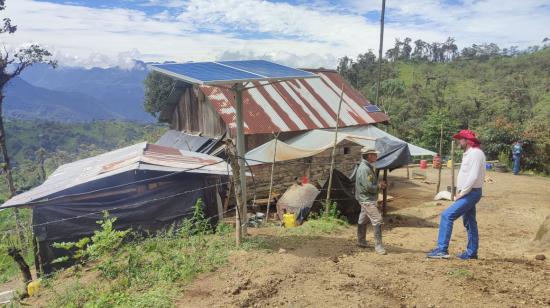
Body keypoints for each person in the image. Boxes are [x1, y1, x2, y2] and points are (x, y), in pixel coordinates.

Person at [427, 129, 486, 260]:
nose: (459, 141)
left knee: (447, 216)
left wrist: (463, 193)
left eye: (461, 139)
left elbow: (473, 176)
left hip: (470, 192)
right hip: (469, 192)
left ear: (467, 141)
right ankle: (472, 253)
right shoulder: (470, 153)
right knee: (470, 222)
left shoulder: (475, 153)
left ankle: (442, 249)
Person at [355, 146, 387, 255]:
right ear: (369, 156)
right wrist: (379, 186)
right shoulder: (365, 169)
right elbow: (368, 187)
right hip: (367, 199)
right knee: (377, 220)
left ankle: (361, 241)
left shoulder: (367, 167)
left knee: (363, 219)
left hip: (365, 198)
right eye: (374, 154)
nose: (376, 156)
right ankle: (378, 246)